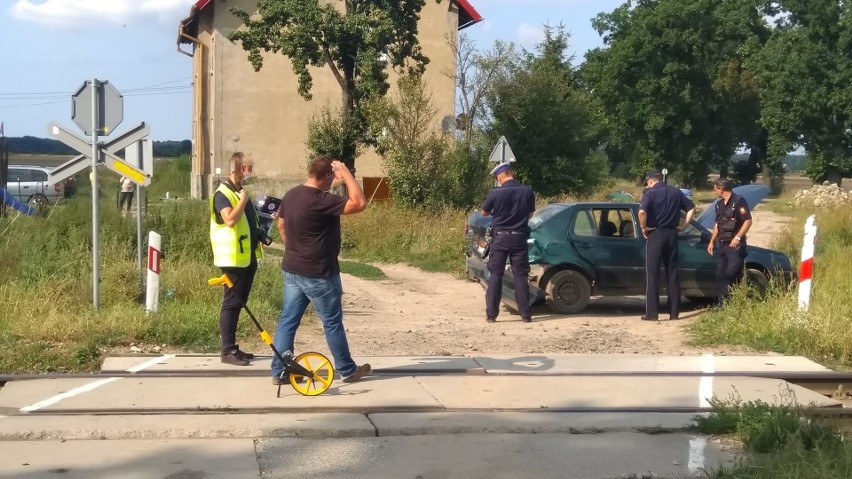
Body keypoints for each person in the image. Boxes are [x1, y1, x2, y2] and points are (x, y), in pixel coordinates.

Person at [271, 155, 371, 385]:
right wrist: (345, 172)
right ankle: (347, 370)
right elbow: (359, 203)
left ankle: (280, 371)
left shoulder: (291, 194)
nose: (334, 181)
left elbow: (281, 224)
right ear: (326, 176)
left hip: (292, 269)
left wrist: (293, 248)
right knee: (332, 322)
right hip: (319, 273)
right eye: (332, 177)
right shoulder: (321, 200)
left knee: (287, 320)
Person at [210, 152, 263, 366]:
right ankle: (227, 350)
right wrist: (243, 200)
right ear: (234, 170)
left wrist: (259, 233)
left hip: (246, 257)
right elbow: (230, 220)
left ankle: (233, 348)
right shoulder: (223, 194)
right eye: (246, 168)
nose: (249, 172)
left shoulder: (241, 192)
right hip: (232, 259)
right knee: (231, 304)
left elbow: (247, 223)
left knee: (239, 304)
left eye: (250, 168)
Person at [480, 161, 536, 323]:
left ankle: (491, 315)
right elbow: (530, 214)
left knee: (496, 275)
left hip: (500, 238)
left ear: (499, 176)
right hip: (519, 238)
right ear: (511, 173)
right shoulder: (527, 191)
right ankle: (525, 315)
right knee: (520, 275)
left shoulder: (495, 193)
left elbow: (484, 213)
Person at [638, 170, 696, 321]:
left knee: (652, 274)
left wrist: (644, 228)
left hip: (655, 233)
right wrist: (683, 226)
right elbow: (691, 208)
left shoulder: (650, 193)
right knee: (672, 273)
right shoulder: (676, 192)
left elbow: (642, 212)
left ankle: (652, 313)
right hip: (672, 234)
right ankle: (674, 313)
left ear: (649, 181)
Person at [707, 177, 752, 303]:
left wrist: (737, 237)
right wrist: (711, 241)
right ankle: (723, 304)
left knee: (731, 273)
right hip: (721, 243)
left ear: (721, 189)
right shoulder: (719, 204)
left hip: (734, 245)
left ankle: (738, 299)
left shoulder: (739, 201)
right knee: (720, 275)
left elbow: (748, 221)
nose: (714, 191)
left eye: (715, 189)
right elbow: (717, 224)